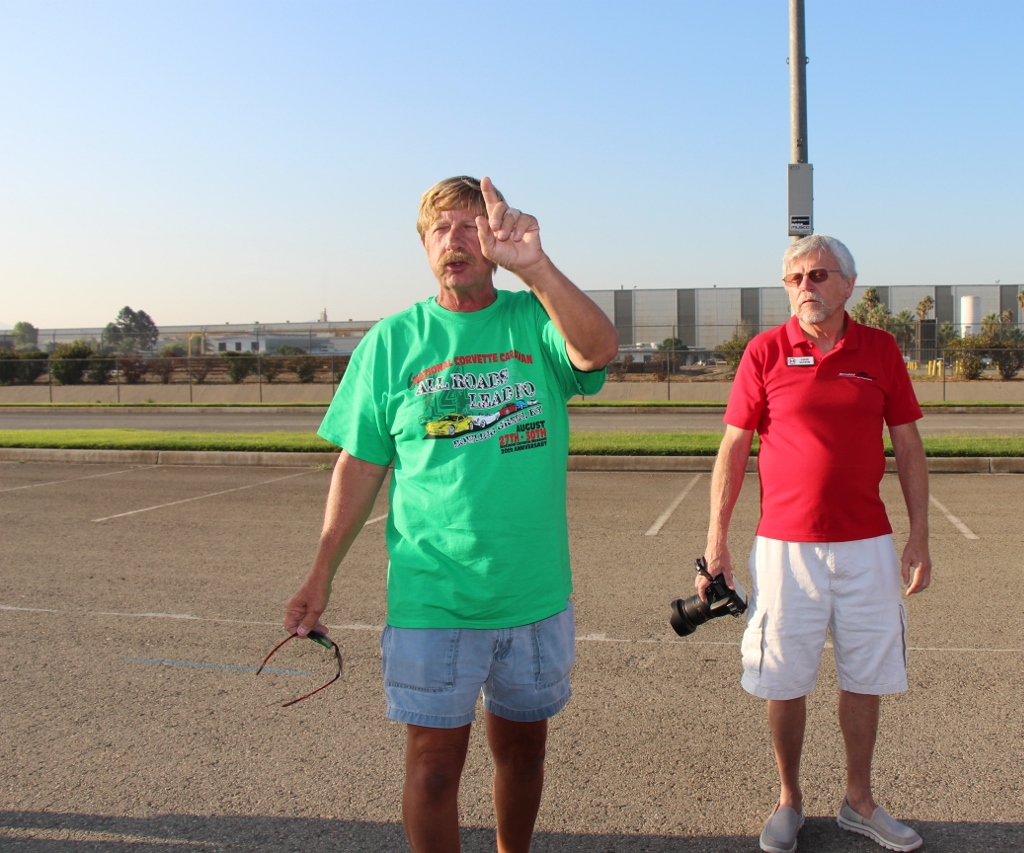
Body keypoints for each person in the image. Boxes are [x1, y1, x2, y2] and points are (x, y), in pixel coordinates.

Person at [281, 175, 617, 853]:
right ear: (424, 246)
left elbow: (599, 351)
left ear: (494, 244)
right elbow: (360, 466)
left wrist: (538, 266)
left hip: (531, 592)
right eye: (441, 228)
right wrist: (320, 571)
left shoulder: (533, 321)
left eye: (472, 227)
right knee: (433, 771)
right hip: (432, 598)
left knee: (523, 753)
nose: (455, 240)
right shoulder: (392, 342)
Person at [700, 234, 932, 853]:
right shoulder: (766, 351)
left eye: (819, 275)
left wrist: (920, 538)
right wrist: (716, 543)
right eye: (795, 277)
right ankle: (789, 799)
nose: (806, 286)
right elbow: (733, 448)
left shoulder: (880, 350)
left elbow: (908, 446)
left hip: (868, 547)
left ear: (848, 285)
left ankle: (859, 801)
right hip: (785, 549)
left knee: (865, 675)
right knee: (783, 678)